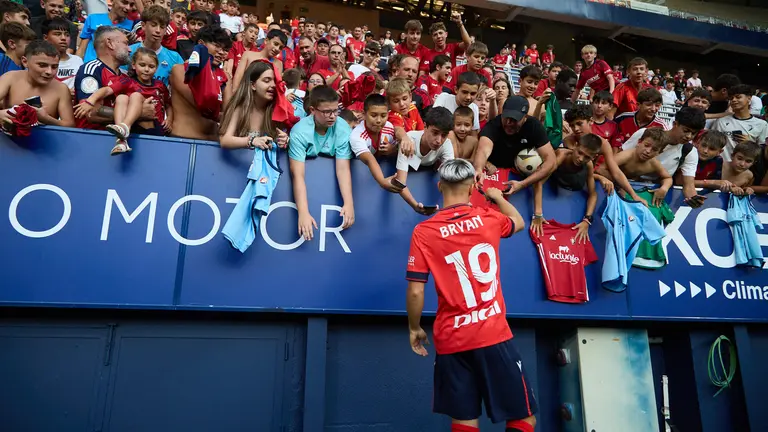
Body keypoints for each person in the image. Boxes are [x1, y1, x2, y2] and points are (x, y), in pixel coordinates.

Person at [405, 158, 534, 432]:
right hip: (493, 333)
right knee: (522, 417)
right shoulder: (488, 218)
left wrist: (414, 327)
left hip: (452, 339)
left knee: (464, 421)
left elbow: (416, 289)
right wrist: (497, 196)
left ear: (440, 186)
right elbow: (519, 222)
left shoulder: (424, 231)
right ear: (473, 186)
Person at [289, 85, 355, 240]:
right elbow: (297, 175)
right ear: (312, 110)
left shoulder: (343, 127)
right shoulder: (299, 132)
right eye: (326, 112)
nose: (332, 116)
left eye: (336, 110)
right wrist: (303, 212)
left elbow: (343, 169)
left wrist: (349, 203)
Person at [75, 47, 172, 153]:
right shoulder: (127, 81)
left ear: (156, 68)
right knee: (125, 97)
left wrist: (169, 119)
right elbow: (107, 90)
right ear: (134, 65)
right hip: (134, 126)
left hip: (153, 127)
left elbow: (168, 104)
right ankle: (122, 137)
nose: (146, 69)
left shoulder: (160, 85)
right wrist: (90, 101)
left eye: (151, 66)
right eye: (142, 65)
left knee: (135, 95)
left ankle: (123, 131)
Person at [622, 106, 707, 208]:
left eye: (693, 133)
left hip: (653, 199)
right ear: (675, 124)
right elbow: (616, 161)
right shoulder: (644, 134)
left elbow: (688, 185)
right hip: (623, 188)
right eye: (686, 130)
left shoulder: (689, 152)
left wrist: (693, 198)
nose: (689, 136)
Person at [473, 96, 557, 195]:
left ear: (525, 118)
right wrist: (478, 169)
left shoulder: (534, 126)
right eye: (506, 117)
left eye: (514, 119)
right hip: (494, 172)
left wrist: (523, 184)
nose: (509, 123)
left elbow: (550, 160)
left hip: (519, 175)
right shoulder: (493, 125)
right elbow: (483, 151)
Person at [531, 133, 600, 241]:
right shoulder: (561, 156)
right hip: (552, 189)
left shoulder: (589, 165)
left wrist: (587, 220)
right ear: (575, 145)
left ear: (593, 157)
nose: (581, 159)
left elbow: (593, 194)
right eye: (580, 153)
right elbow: (538, 182)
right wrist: (538, 214)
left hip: (572, 193)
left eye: (587, 157)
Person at [169, 25, 232, 140]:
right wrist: (226, 117)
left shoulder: (225, 76)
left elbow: (229, 112)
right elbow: (204, 105)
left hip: (213, 142)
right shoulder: (179, 70)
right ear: (201, 44)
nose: (221, 52)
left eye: (225, 50)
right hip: (183, 139)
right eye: (217, 46)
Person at [74, 26, 143, 130]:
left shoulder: (125, 77)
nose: (129, 49)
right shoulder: (91, 69)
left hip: (121, 140)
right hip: (92, 137)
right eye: (125, 43)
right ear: (110, 43)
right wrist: (138, 114)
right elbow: (90, 112)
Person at [393, 106, 455, 215]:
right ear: (425, 126)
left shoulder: (446, 144)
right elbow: (400, 183)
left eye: (444, 135)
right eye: (435, 133)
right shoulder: (409, 141)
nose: (439, 140)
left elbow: (450, 179)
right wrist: (415, 206)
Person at [0, 40, 75, 128]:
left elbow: (70, 125)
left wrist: (46, 118)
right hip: (8, 139)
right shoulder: (11, 77)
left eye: (54, 66)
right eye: (42, 65)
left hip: (44, 139)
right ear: (25, 62)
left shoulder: (61, 89)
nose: (49, 72)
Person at [219, 60, 290, 151]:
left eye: (275, 81)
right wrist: (252, 141)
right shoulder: (240, 109)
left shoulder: (276, 111)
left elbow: (279, 140)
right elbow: (225, 140)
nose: (273, 85)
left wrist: (285, 140)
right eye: (267, 80)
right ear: (253, 85)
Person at [598, 128, 673, 206]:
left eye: (654, 149)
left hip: (626, 189)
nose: (648, 151)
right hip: (608, 188)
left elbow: (667, 178)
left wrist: (664, 188)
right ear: (639, 142)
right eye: (646, 145)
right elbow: (600, 169)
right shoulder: (626, 156)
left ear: (659, 152)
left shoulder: (653, 164)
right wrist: (620, 185)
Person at [350, 94, 403, 193]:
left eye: (383, 116)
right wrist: (382, 182)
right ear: (364, 114)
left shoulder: (390, 128)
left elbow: (399, 151)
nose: (379, 120)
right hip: (359, 182)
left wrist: (392, 150)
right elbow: (370, 160)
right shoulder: (356, 135)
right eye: (373, 115)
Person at [126, 6, 182, 86]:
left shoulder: (175, 58)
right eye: (153, 25)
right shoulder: (129, 51)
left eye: (162, 27)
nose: (158, 31)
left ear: (166, 30)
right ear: (143, 25)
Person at [711, 84, 768, 161]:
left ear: (749, 98)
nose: (734, 100)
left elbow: (763, 151)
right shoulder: (720, 122)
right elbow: (711, 144)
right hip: (721, 167)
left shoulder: (762, 124)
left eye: (738, 97)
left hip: (744, 168)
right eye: (731, 98)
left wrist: (750, 144)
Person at [42, 18, 83, 91]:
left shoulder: (78, 61)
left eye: (67, 35)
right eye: (57, 34)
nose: (63, 38)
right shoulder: (41, 62)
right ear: (46, 38)